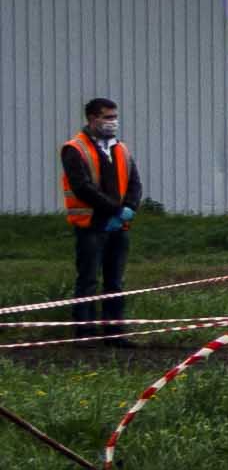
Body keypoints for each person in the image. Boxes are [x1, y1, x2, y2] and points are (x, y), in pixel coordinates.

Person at [58, 98, 136, 343]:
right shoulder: (75, 148)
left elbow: (135, 182)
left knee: (115, 280)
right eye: (107, 117)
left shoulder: (120, 148)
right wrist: (115, 210)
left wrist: (130, 207)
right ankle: (85, 332)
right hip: (91, 224)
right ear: (92, 119)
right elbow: (82, 188)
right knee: (88, 280)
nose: (112, 122)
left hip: (118, 225)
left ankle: (114, 332)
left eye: (114, 117)